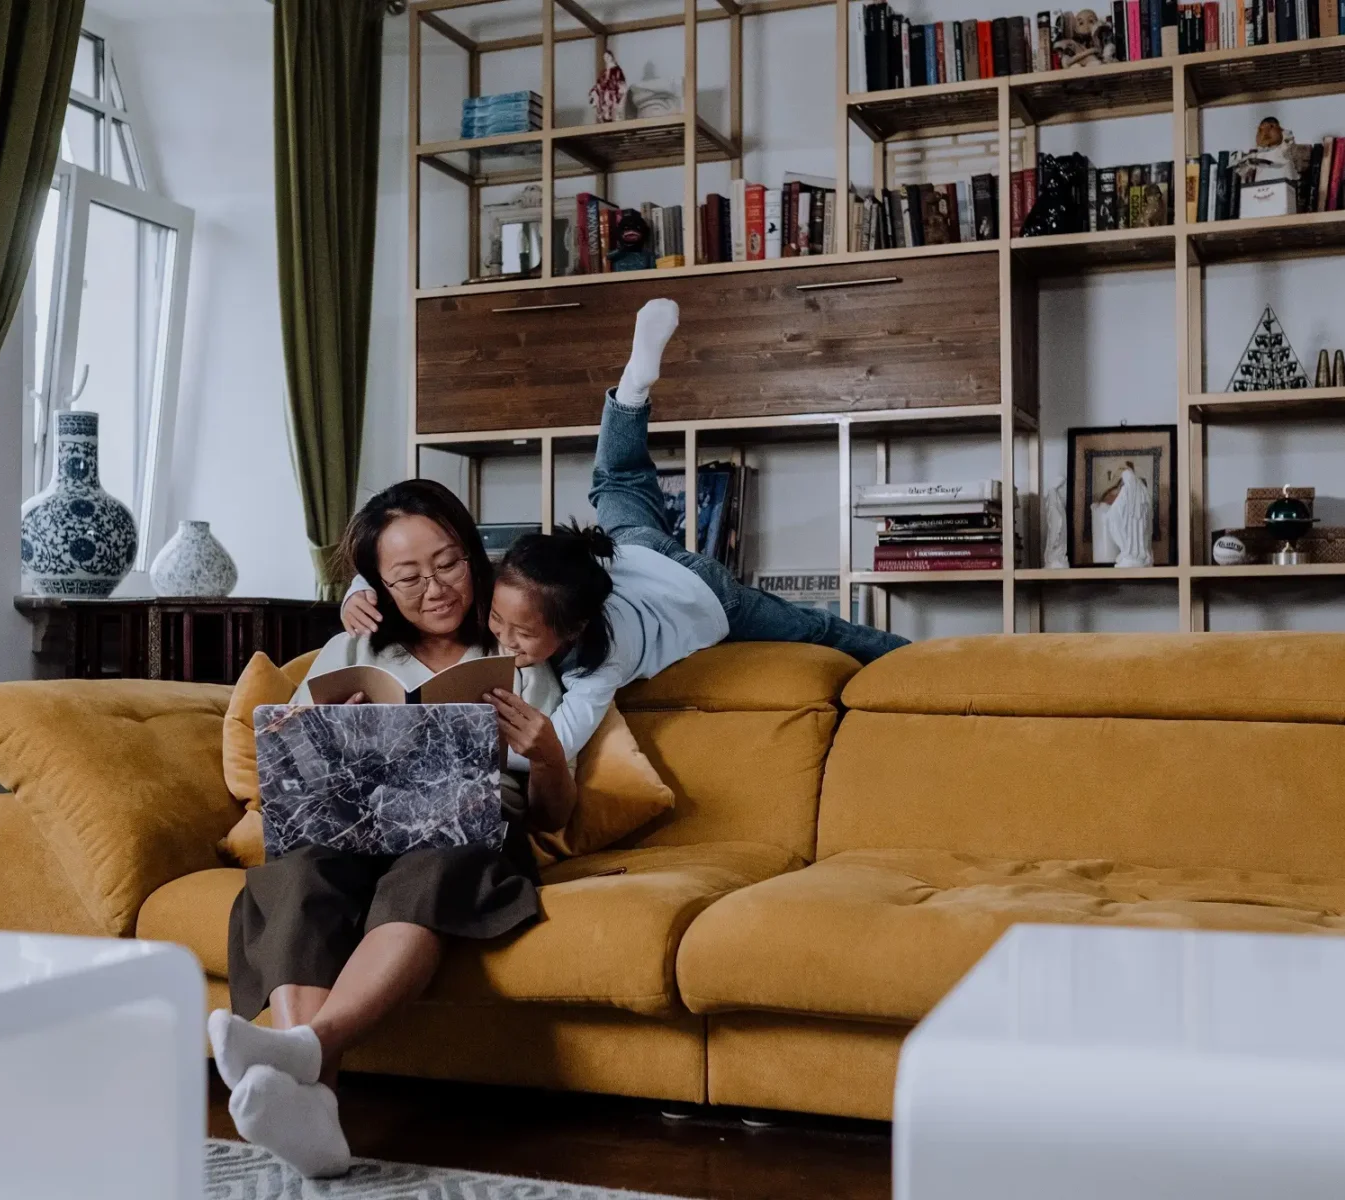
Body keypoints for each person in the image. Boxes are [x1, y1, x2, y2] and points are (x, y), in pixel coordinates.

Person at [343, 299, 908, 763]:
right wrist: (359, 590)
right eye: (499, 624)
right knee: (616, 479)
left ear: (571, 630)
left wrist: (465, 748)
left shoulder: (600, 661)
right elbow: (422, 570)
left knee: (819, 630)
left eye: (523, 636)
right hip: (633, 553)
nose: (505, 640)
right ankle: (632, 388)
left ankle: (918, 659)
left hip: (704, 594)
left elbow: (559, 744)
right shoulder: (511, 591)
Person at [208, 479, 573, 1178]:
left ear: (473, 554)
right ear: (375, 583)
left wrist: (547, 750)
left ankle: (306, 1050)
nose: (435, 589)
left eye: (449, 563)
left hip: (466, 828)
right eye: (407, 576)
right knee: (297, 871)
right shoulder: (353, 648)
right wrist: (318, 730)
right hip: (356, 822)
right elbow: (289, 767)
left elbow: (554, 815)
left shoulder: (522, 653)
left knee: (433, 863)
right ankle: (316, 1108)